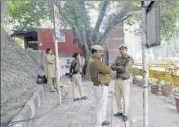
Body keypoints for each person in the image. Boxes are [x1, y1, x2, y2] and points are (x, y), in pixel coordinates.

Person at [88, 45, 112, 127]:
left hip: (99, 85)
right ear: (94, 53)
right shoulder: (95, 62)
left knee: (103, 104)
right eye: (99, 52)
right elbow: (107, 70)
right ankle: (98, 123)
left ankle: (102, 120)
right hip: (100, 86)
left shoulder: (93, 60)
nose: (101, 54)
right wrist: (108, 68)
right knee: (100, 105)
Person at [111, 44, 134, 122]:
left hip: (125, 81)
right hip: (117, 80)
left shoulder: (129, 59)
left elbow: (125, 69)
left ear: (126, 49)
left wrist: (118, 68)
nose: (121, 50)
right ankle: (120, 111)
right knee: (117, 98)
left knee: (125, 98)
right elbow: (112, 67)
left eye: (123, 49)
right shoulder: (118, 58)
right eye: (120, 49)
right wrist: (120, 67)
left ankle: (125, 114)